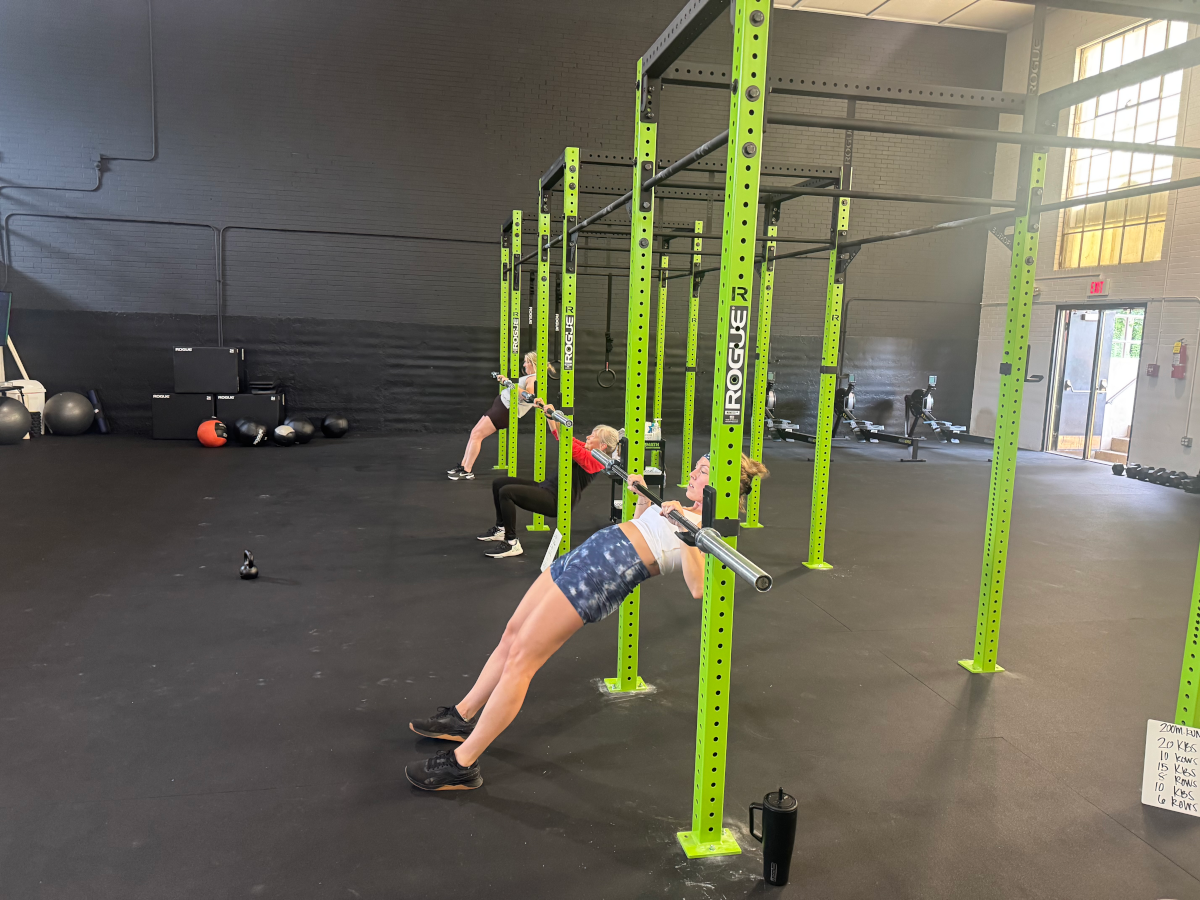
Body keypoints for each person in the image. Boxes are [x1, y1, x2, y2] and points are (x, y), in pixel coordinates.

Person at [405, 452, 770, 790]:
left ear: (720, 485)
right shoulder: (682, 510)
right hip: (583, 557)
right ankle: (462, 717)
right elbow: (640, 530)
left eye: (702, 471)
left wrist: (686, 531)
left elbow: (698, 588)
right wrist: (644, 500)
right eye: (696, 467)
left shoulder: (709, 532)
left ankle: (462, 764)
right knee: (511, 635)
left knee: (521, 662)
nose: (691, 473)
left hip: (600, 577)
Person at [479, 407, 619, 559]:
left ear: (603, 446)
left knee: (506, 492)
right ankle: (501, 529)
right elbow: (561, 435)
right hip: (545, 488)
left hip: (555, 500)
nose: (588, 437)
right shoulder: (588, 451)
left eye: (593, 436)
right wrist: (549, 414)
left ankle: (511, 543)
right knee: (499, 483)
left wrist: (554, 416)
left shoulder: (596, 461)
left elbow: (565, 441)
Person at [448, 352, 549, 480]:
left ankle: (467, 471)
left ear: (533, 363)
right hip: (500, 408)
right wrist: (506, 382)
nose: (524, 365)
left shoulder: (533, 378)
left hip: (504, 412)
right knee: (474, 434)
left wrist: (509, 383)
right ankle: (463, 466)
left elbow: (528, 396)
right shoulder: (530, 377)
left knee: (477, 435)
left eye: (526, 362)